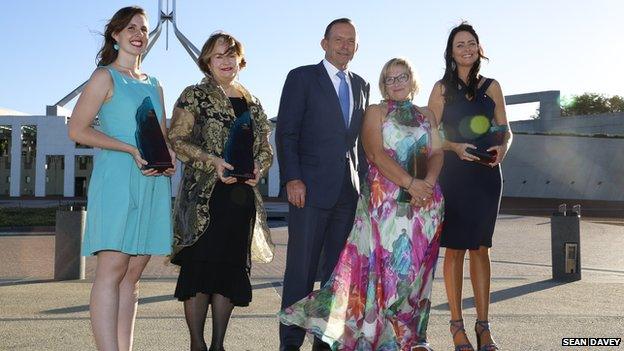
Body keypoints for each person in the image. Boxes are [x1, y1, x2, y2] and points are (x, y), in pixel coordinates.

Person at [279, 58, 444, 351]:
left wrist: (428, 183)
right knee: (383, 270)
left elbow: (437, 152)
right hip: (387, 205)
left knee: (416, 272)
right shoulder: (375, 111)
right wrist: (411, 184)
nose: (396, 82)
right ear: (383, 84)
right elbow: (375, 154)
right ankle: (378, 336)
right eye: (389, 78)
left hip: (424, 205)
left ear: (412, 78)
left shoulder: (427, 114)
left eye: (401, 76)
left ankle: (410, 337)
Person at [68, 6, 175, 351]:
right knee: (111, 271)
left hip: (151, 181)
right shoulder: (104, 77)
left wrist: (168, 157)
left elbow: (160, 135)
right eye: (131, 27)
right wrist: (128, 148)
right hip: (117, 179)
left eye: (144, 29)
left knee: (132, 277)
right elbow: (77, 130)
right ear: (115, 35)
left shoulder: (155, 84)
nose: (139, 33)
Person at [167, 32, 274, 351]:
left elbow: (265, 147)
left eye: (231, 55)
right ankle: (197, 344)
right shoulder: (194, 95)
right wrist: (211, 160)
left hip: (240, 202)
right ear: (207, 62)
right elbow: (177, 139)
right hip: (205, 198)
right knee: (200, 271)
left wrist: (258, 167)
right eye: (218, 56)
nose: (226, 61)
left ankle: (218, 346)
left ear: (240, 60)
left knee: (229, 271)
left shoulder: (252, 101)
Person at [275, 18, 370, 351]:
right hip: (309, 190)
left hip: (348, 192)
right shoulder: (302, 78)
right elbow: (286, 132)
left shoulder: (361, 84)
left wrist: (366, 187)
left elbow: (358, 142)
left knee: (336, 276)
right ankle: (290, 343)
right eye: (338, 39)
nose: (344, 46)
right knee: (301, 271)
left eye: (350, 41)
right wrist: (292, 178)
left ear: (356, 47)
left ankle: (325, 341)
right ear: (324, 43)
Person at [427, 22, 512, 351]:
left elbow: (507, 129)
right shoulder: (441, 89)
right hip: (454, 176)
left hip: (488, 177)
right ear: (451, 51)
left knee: (481, 248)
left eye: (471, 43)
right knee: (456, 248)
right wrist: (455, 148)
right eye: (459, 44)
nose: (466, 48)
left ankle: (483, 327)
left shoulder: (492, 86)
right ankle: (456, 326)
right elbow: (431, 134)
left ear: (479, 48)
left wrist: (505, 148)